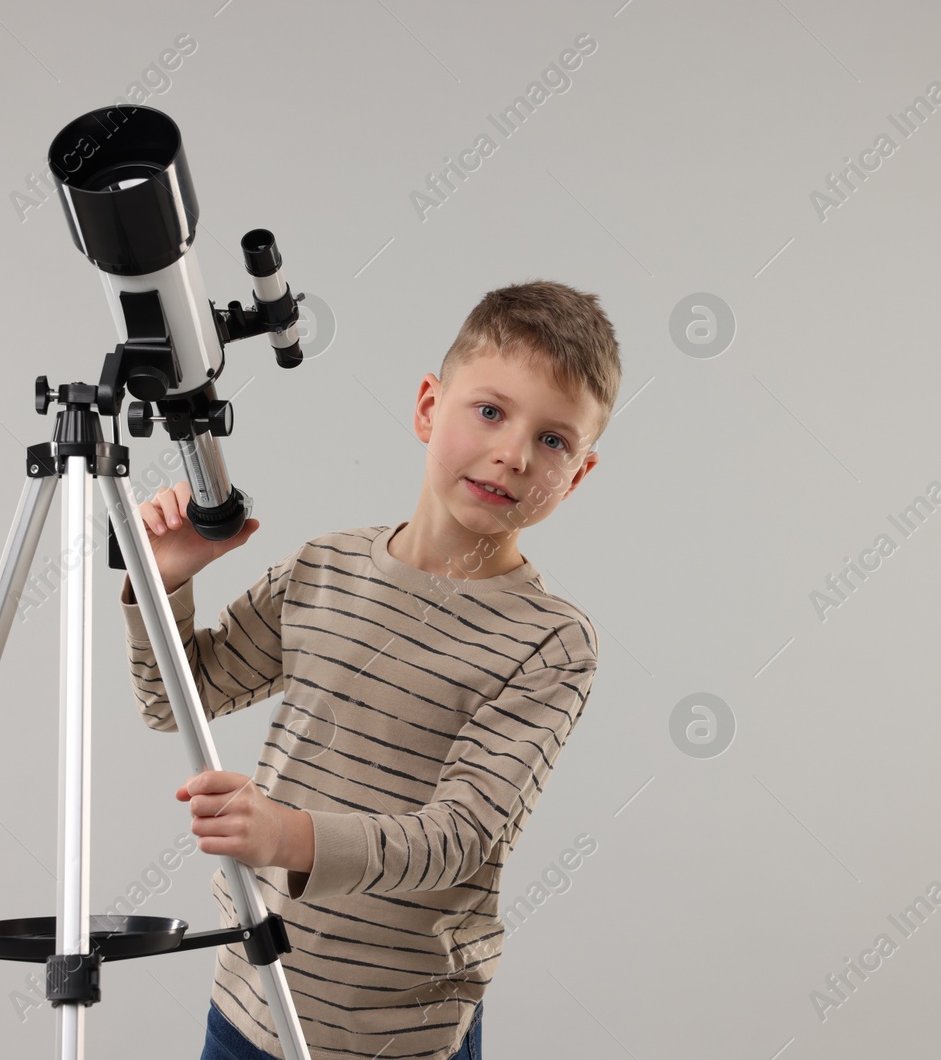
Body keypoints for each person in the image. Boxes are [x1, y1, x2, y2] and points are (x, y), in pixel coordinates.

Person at [120, 279, 621, 1060]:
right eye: (489, 411)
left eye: (555, 441)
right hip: (251, 999)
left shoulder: (550, 643)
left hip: (399, 1035)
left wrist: (286, 835)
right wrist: (166, 581)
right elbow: (175, 698)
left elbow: (459, 837)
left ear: (580, 474)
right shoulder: (327, 566)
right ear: (429, 406)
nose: (514, 454)